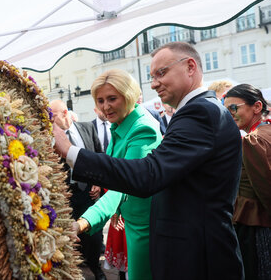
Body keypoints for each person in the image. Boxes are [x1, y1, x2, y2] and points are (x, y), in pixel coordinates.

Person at [53, 42, 244, 280]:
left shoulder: (199, 112)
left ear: (190, 67)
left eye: (161, 73)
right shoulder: (195, 111)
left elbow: (145, 175)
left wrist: (71, 151)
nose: (154, 83)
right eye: (152, 76)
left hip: (195, 253)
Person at [73, 69, 162, 280]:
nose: (105, 106)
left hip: (146, 227)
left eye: (112, 98)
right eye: (101, 100)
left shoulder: (142, 129)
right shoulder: (121, 123)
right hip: (132, 221)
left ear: (129, 95)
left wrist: (82, 223)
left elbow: (121, 186)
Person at [49, 99, 107, 280]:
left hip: (89, 193)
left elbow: (99, 155)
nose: (49, 120)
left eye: (52, 116)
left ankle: (96, 268)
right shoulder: (49, 137)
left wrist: (98, 182)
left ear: (65, 113)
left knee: (95, 236)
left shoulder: (87, 128)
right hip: (66, 195)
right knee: (71, 236)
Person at [224, 84, 271, 280]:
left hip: (256, 224)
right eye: (226, 109)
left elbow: (266, 189)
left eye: (234, 108)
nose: (229, 114)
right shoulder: (265, 131)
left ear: (257, 107)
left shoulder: (253, 140)